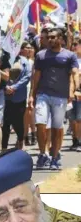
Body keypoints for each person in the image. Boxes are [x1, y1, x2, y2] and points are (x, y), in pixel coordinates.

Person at [29, 28, 79, 170]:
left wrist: (74, 88)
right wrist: (32, 96)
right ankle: (42, 153)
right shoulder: (41, 55)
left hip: (60, 97)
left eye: (53, 37)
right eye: (49, 37)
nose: (50, 40)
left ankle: (55, 156)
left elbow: (75, 72)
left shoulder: (70, 56)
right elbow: (36, 77)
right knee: (40, 123)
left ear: (61, 39)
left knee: (57, 128)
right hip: (43, 95)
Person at [2, 42, 31, 151]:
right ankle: (3, 148)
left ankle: (20, 140)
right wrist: (6, 87)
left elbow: (27, 77)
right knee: (5, 123)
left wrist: (14, 87)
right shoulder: (3, 60)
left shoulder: (24, 62)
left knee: (18, 122)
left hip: (19, 97)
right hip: (5, 98)